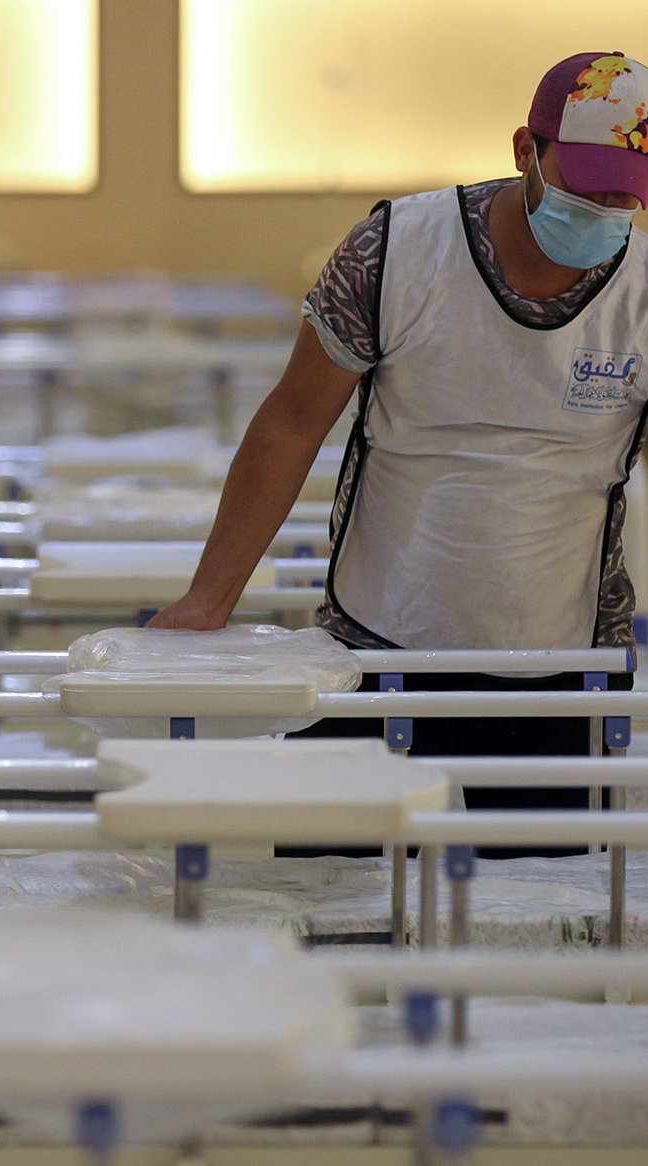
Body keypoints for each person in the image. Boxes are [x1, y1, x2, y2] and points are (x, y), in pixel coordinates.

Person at [150, 51, 648, 855]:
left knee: (521, 934)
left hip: (558, 670)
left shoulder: (641, 292)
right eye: (585, 183)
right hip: (376, 649)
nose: (605, 207)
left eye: (626, 194)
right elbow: (290, 422)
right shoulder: (395, 253)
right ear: (526, 149)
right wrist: (209, 600)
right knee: (336, 906)